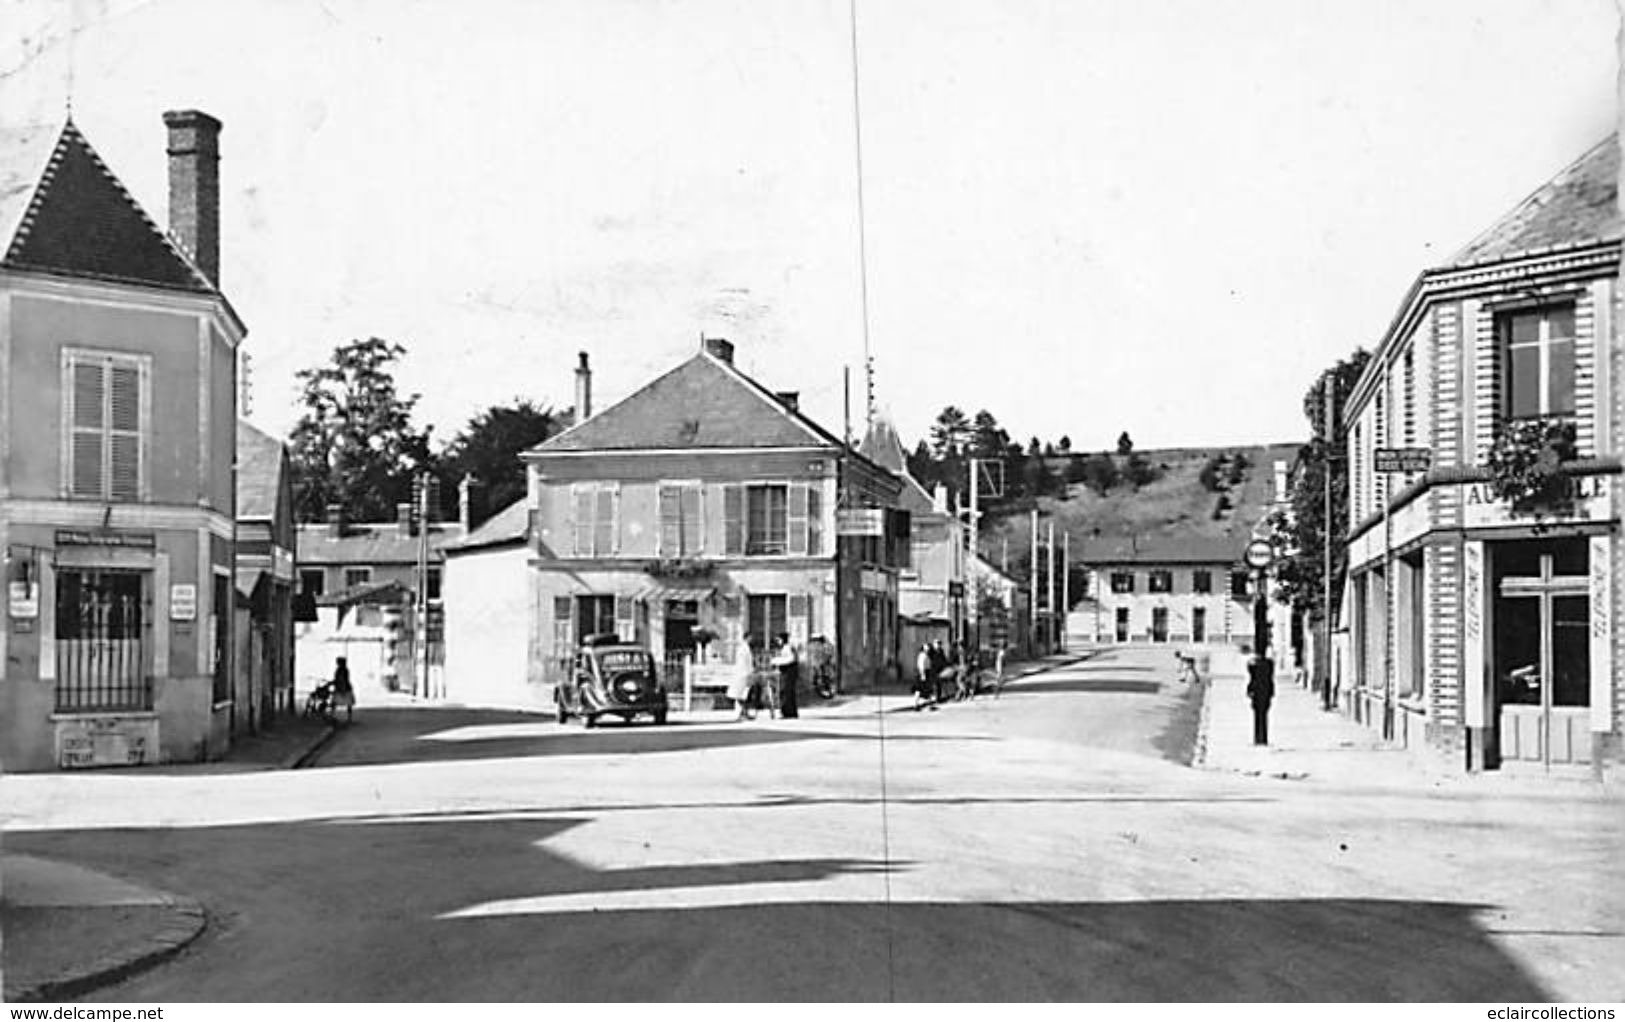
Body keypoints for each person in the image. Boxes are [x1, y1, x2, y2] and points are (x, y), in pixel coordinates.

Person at [728, 634, 757, 721]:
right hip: (743, 674)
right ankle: (742, 713)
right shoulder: (742, 649)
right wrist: (748, 673)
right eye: (750, 638)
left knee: (745, 695)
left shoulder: (746, 648)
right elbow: (743, 663)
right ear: (747, 638)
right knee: (741, 695)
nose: (752, 639)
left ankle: (744, 713)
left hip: (746, 674)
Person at [1247, 655, 1275, 746]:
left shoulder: (1253, 665)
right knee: (1263, 714)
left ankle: (1259, 738)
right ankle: (1262, 738)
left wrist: (1250, 690)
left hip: (1258, 691)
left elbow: (1252, 678)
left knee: (1259, 715)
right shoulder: (1269, 664)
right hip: (1264, 691)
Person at [772, 633, 799, 719]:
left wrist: (777, 661)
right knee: (785, 691)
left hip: (789, 672)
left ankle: (788, 712)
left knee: (786, 692)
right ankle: (788, 711)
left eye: (779, 640)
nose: (778, 642)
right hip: (785, 672)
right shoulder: (784, 648)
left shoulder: (788, 648)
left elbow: (791, 659)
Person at [330, 657, 355, 725]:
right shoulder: (344, 669)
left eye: (338, 662)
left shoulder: (341, 670)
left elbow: (341, 679)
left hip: (342, 688)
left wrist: (341, 688)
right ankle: (349, 718)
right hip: (345, 688)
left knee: (334, 703)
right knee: (348, 704)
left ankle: (332, 716)